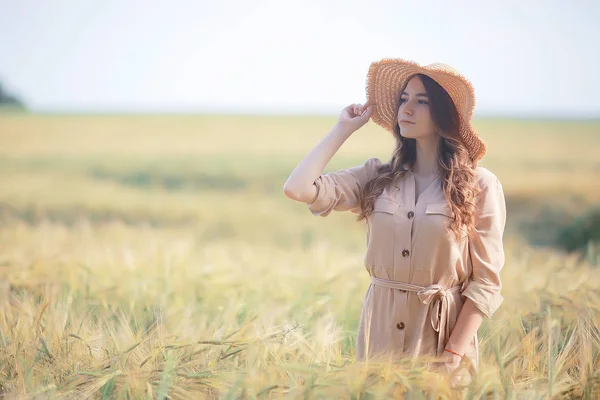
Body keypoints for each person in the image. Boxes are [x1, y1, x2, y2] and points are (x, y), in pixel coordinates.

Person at [283, 58, 506, 386]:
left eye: (422, 101)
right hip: (379, 344)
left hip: (441, 343)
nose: (407, 108)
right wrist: (342, 129)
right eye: (404, 99)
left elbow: (486, 283)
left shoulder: (481, 185)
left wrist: (452, 355)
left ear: (444, 114)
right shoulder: (377, 176)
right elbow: (297, 188)